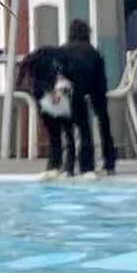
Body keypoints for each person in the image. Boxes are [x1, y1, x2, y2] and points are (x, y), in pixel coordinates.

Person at [15, 27, 92, 176]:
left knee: (56, 135)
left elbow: (24, 76)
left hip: (53, 92)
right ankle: (66, 168)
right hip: (55, 93)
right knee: (66, 132)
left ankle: (56, 166)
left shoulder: (40, 62)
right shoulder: (57, 61)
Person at [53, 17, 114, 174]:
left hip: (69, 94)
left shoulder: (62, 51)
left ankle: (69, 165)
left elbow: (57, 77)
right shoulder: (93, 52)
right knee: (101, 120)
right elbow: (100, 79)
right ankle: (106, 162)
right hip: (92, 86)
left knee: (69, 129)